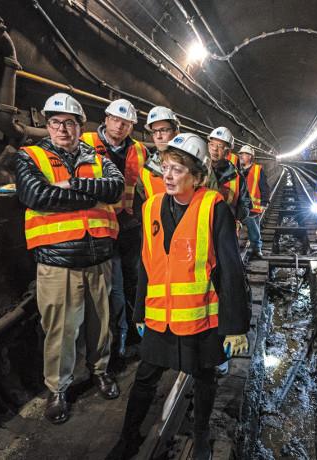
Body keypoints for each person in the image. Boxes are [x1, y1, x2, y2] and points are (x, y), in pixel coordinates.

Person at [108, 133, 251, 460]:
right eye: (166, 168)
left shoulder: (213, 209)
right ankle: (127, 438)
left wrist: (236, 326)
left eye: (178, 170)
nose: (168, 176)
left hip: (199, 317)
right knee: (145, 379)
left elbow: (230, 270)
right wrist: (140, 313)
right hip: (160, 316)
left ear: (198, 177)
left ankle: (201, 439)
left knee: (204, 377)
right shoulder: (152, 207)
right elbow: (146, 263)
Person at [14, 93, 124, 424]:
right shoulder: (30, 157)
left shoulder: (98, 157)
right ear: (46, 126)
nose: (63, 128)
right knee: (60, 330)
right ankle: (58, 388)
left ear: (80, 126)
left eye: (70, 122)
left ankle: (100, 371)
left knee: (100, 324)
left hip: (98, 256)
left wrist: (73, 183)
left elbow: (115, 189)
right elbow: (37, 195)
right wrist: (90, 192)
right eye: (56, 122)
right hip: (58, 259)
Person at [80, 99, 149, 359]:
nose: (120, 126)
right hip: (99, 227)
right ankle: (119, 339)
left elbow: (151, 183)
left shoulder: (140, 150)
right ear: (106, 119)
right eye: (116, 120)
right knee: (114, 286)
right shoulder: (85, 142)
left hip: (130, 226)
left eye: (126, 123)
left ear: (132, 126)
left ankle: (133, 333)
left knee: (133, 280)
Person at [206, 127, 251, 222]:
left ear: (228, 152)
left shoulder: (238, 178)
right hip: (201, 229)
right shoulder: (197, 170)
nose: (214, 149)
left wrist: (229, 211)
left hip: (226, 230)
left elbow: (246, 208)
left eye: (220, 146)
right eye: (212, 144)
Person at [138, 106, 178, 204]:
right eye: (154, 131)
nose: (159, 136)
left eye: (164, 130)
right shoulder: (145, 172)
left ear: (176, 132)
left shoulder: (194, 166)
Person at [239, 144, 269, 259]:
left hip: (252, 206)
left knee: (253, 227)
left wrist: (264, 203)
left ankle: (256, 248)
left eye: (244, 154)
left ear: (250, 157)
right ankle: (252, 247)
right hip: (240, 205)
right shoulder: (237, 169)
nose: (242, 156)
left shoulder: (257, 169)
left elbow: (264, 187)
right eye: (241, 154)